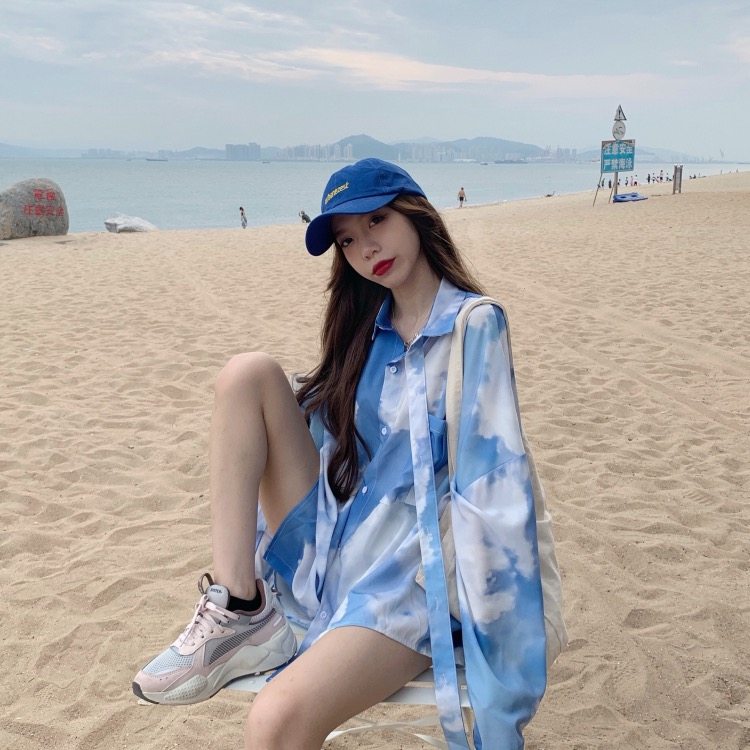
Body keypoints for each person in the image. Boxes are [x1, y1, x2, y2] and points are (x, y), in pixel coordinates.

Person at [132, 158, 548, 749]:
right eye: (348, 240)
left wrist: (500, 674)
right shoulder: (364, 328)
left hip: (406, 577)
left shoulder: (473, 325)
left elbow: (494, 491)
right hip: (332, 540)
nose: (366, 248)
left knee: (274, 719)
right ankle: (240, 606)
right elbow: (328, 429)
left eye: (377, 220)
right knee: (246, 374)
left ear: (416, 214)